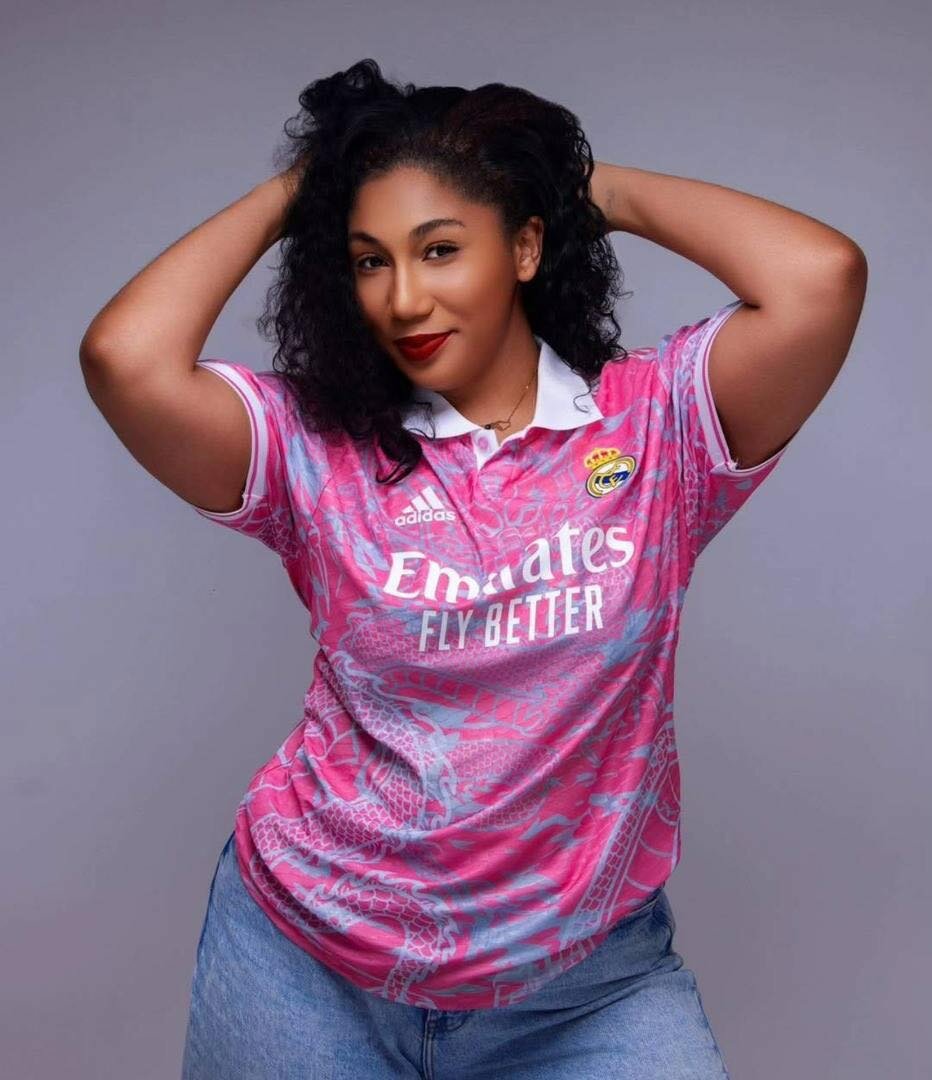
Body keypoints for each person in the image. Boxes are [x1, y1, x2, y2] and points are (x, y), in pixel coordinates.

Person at [79, 58, 866, 1080]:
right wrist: (307, 186)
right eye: (369, 260)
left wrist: (576, 185)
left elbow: (820, 278)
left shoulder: (654, 424)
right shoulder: (316, 447)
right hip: (307, 965)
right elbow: (125, 358)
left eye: (440, 248)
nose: (404, 298)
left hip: (580, 988)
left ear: (524, 247)